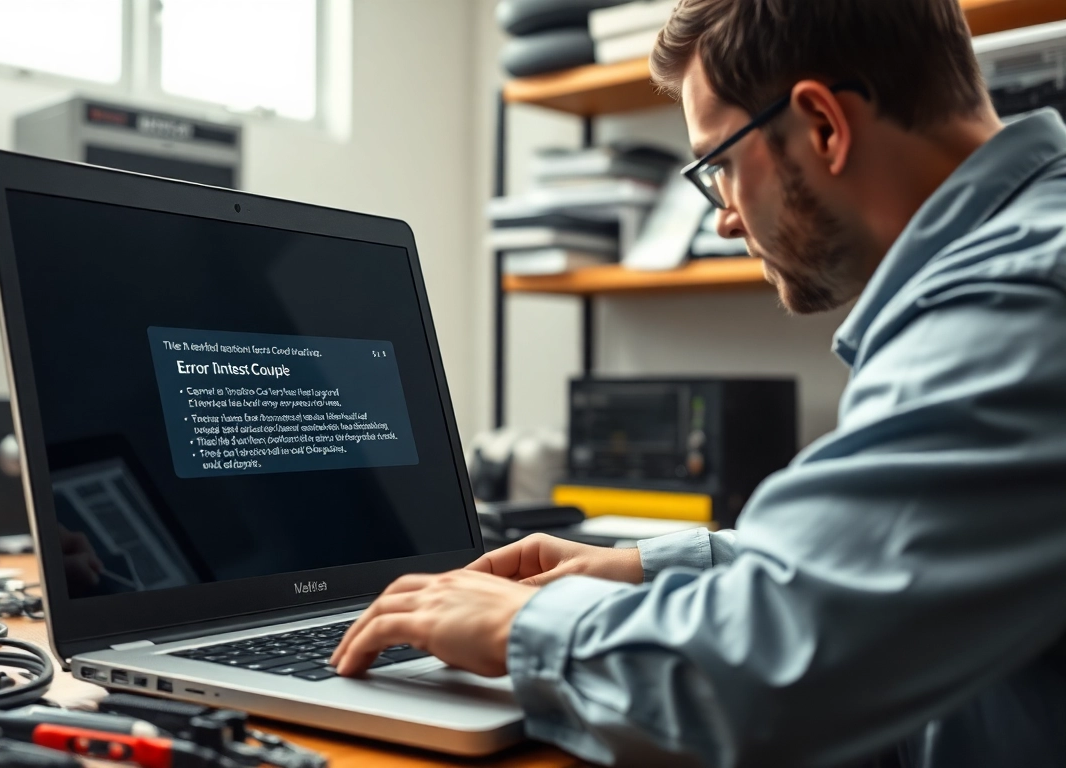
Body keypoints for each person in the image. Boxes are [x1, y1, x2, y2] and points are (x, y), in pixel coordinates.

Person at [329, 0, 1066, 765]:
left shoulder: (1016, 302)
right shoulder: (1016, 260)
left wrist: (518, 629)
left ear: (822, 125)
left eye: (717, 165)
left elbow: (772, 678)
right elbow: (901, 572)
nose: (721, 221)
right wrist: (649, 567)